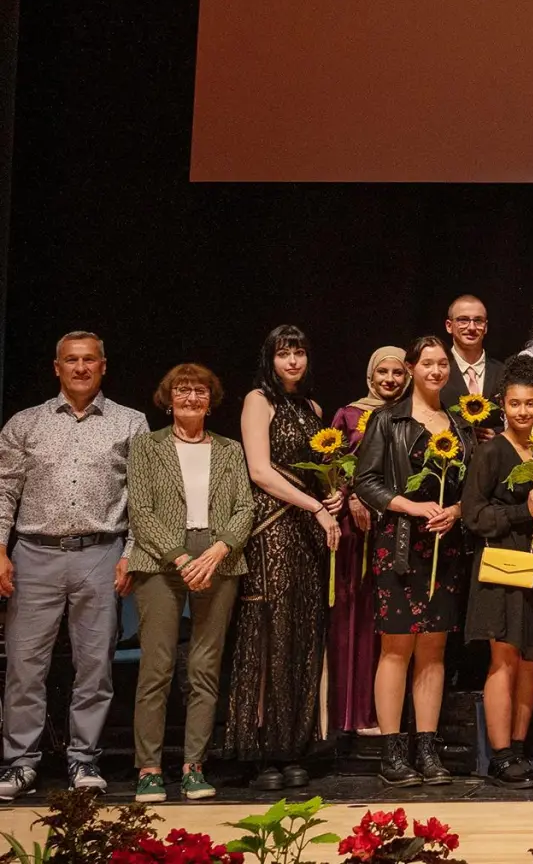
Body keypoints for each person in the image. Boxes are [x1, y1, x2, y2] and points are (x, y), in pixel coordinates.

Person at [0, 332, 148, 800]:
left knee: (94, 666)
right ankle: (20, 763)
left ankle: (84, 759)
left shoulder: (130, 422)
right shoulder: (26, 423)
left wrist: (130, 555)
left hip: (100, 552)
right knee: (25, 666)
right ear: (56, 367)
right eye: (71, 360)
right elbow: (3, 491)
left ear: (103, 366)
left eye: (89, 360)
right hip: (34, 553)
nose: (80, 367)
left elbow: (144, 500)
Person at [221, 325, 340, 791]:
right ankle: (260, 749)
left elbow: (324, 471)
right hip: (272, 526)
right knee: (268, 631)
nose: (293, 361)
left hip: (309, 530)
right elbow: (260, 470)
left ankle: (294, 747)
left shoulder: (313, 409)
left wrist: (333, 495)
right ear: (270, 358)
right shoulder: (258, 400)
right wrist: (314, 505)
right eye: (284, 354)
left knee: (302, 631)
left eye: (300, 353)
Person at [354, 336, 476, 788]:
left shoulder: (460, 425)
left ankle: (426, 747)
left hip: (445, 544)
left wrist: (457, 511)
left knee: (435, 648)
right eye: (428, 363)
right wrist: (408, 505)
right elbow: (365, 480)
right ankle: (393, 751)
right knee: (397, 646)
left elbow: (474, 485)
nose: (437, 371)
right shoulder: (387, 420)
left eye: (443, 364)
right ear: (411, 368)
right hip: (401, 543)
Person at [127, 364, 250, 803]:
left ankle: (195, 766)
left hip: (219, 559)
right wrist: (181, 557)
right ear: (168, 398)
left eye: (199, 391)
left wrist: (217, 551)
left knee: (204, 667)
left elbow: (244, 508)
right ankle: (149, 769)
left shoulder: (230, 450)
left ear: (210, 400)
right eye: (183, 391)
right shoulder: (146, 446)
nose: (191, 398)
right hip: (162, 560)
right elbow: (140, 511)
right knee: (157, 668)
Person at [462, 355, 533, 789]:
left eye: (532, 404)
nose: (524, 412)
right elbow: (473, 515)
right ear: (503, 404)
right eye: (516, 404)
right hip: (502, 566)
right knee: (504, 659)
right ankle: (500, 756)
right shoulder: (491, 451)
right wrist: (524, 512)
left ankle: (519, 751)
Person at [328, 347, 410, 737]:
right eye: (383, 372)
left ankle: (387, 714)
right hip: (357, 526)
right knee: (356, 613)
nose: (390, 379)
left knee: (393, 622)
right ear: (370, 375)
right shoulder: (349, 414)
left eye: (397, 372)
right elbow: (333, 466)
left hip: (398, 525)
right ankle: (353, 713)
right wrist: (352, 495)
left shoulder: (413, 412)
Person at [441, 295, 504, 441]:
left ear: (486, 327)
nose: (471, 327)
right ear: (449, 326)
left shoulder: (503, 372)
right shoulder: (437, 372)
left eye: (478, 320)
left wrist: (498, 436)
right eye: (463, 320)